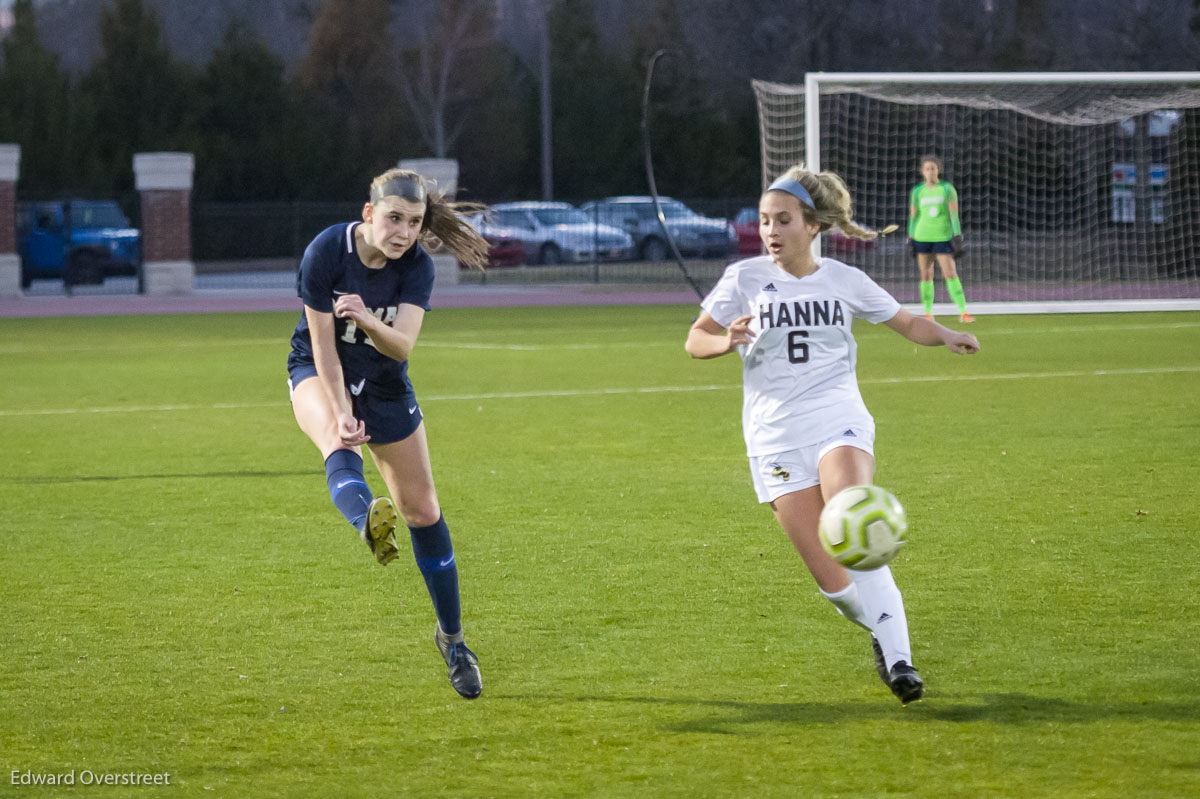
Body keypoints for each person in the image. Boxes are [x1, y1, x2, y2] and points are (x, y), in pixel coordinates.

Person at [685, 165, 980, 705]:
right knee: (836, 584)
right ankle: (877, 628)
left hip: (837, 416)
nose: (771, 231)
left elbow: (908, 323)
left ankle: (901, 662)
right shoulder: (744, 278)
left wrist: (948, 334)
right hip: (773, 435)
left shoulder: (844, 279)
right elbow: (695, 341)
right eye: (765, 221)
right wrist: (727, 342)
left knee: (856, 524)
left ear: (813, 225)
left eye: (783, 220)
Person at [286, 167, 490, 700]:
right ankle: (366, 523)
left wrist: (366, 318)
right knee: (335, 436)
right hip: (317, 367)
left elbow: (401, 347)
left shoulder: (417, 268)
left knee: (423, 513)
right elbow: (323, 344)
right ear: (370, 214)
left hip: (385, 382)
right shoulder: (326, 251)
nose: (402, 231)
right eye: (394, 218)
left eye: (414, 222)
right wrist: (341, 407)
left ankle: (453, 640)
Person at [908, 154, 974, 323]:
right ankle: (928, 313)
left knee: (950, 273)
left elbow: (954, 214)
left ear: (938, 170)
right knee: (925, 275)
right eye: (927, 169)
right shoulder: (917, 191)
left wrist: (957, 235)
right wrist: (910, 237)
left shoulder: (947, 189)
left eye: (933, 168)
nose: (930, 172)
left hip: (942, 237)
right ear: (922, 171)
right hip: (922, 237)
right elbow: (914, 217)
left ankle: (963, 312)